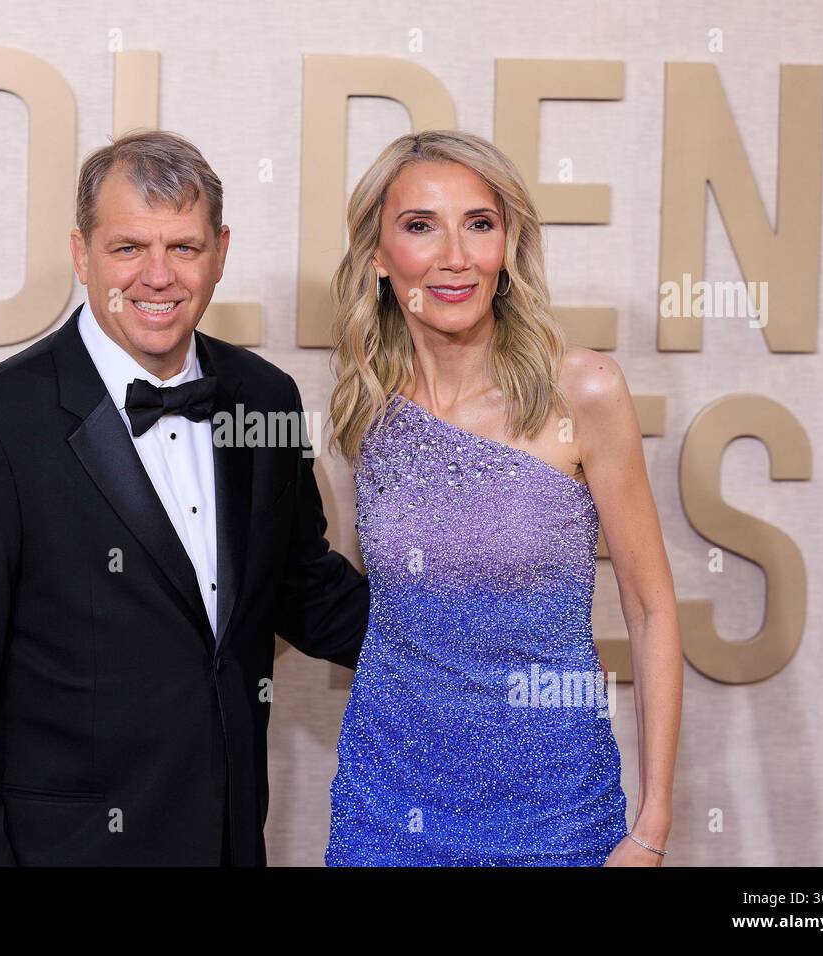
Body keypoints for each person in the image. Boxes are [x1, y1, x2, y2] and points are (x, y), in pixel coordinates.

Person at [0, 129, 369, 866]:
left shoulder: (264, 399)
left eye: (184, 247)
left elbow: (302, 589)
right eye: (128, 248)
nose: (158, 276)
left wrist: (472, 640)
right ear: (82, 255)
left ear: (221, 252)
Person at [323, 131, 682, 866]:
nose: (455, 255)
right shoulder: (368, 406)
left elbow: (651, 609)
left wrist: (651, 827)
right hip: (386, 807)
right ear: (378, 258)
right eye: (421, 226)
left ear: (507, 247)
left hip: (555, 813)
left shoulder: (582, 392)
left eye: (479, 224)